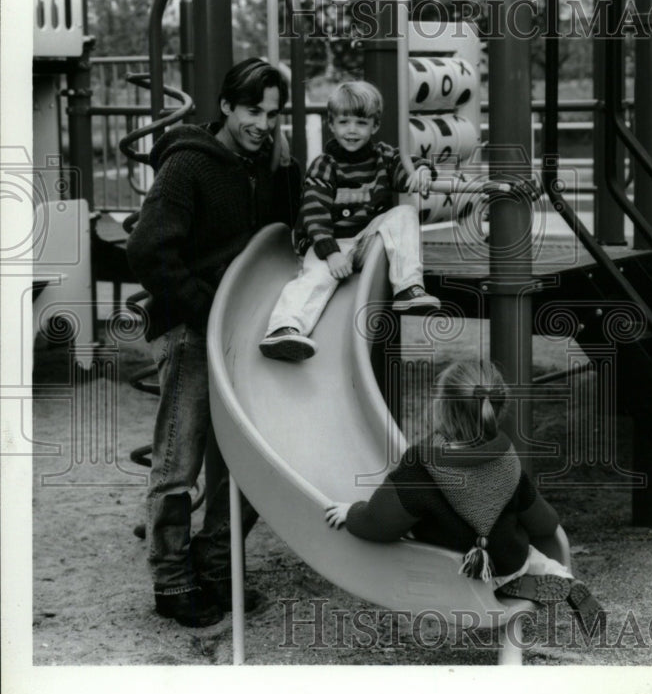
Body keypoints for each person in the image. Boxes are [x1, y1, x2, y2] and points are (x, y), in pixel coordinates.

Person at [127, 58, 301, 627]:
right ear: (226, 107)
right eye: (253, 111)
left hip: (244, 331)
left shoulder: (273, 169)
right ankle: (172, 581)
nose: (263, 124)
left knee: (251, 459)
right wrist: (206, 310)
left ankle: (214, 562)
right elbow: (149, 249)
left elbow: (293, 231)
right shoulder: (188, 165)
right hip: (191, 327)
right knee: (180, 458)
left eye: (273, 114)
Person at [325, 358, 605, 637]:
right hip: (512, 559)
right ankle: (560, 578)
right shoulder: (506, 458)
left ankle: (504, 584)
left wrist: (352, 512)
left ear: (441, 407)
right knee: (531, 556)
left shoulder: (421, 467)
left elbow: (379, 524)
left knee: (417, 542)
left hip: (459, 575)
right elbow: (545, 523)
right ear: (496, 409)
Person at [259, 79, 441, 362]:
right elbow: (313, 210)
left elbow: (407, 170)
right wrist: (330, 253)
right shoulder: (325, 164)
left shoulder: (384, 158)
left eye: (361, 122)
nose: (352, 130)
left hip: (366, 242)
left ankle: (408, 286)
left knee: (404, 213)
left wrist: (422, 173)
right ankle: (285, 327)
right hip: (329, 243)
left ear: (375, 126)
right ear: (331, 125)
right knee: (313, 280)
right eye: (344, 122)